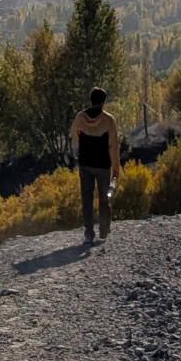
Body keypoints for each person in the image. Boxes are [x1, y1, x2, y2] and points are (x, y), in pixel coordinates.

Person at [70, 87, 122, 245]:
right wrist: (116, 169)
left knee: (87, 198)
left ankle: (88, 233)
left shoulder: (80, 117)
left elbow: (73, 137)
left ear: (91, 100)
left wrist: (77, 155)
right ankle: (104, 229)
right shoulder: (108, 120)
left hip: (85, 165)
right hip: (103, 166)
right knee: (105, 197)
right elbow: (113, 146)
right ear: (103, 102)